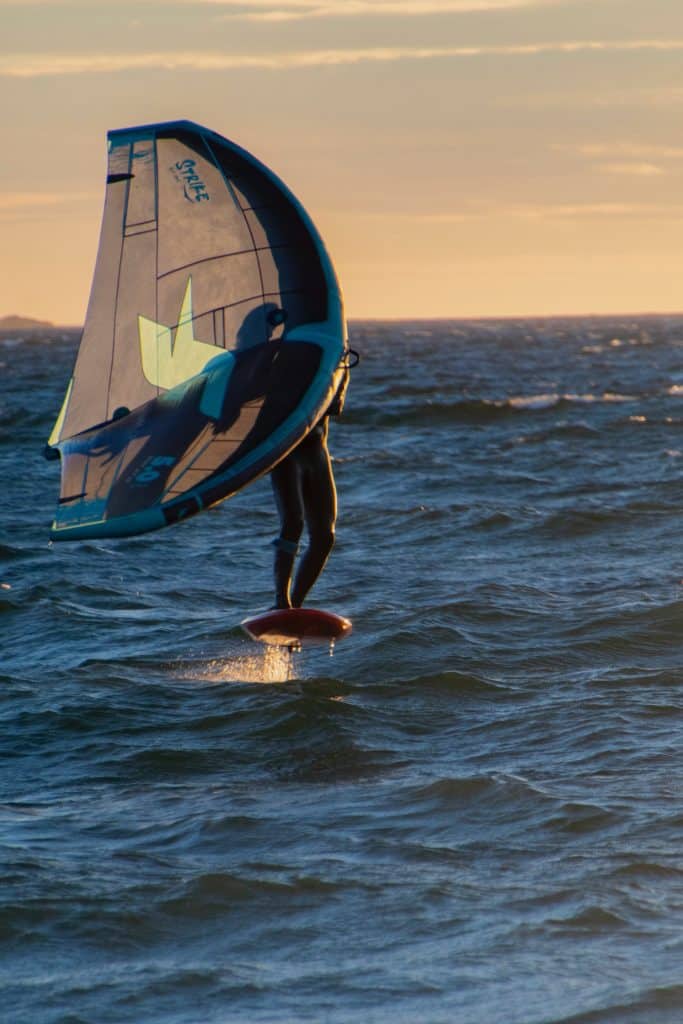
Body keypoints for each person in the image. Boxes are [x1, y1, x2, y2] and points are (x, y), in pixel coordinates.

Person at [270, 361, 351, 609]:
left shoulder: (333, 352)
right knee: (293, 521)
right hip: (287, 450)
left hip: (317, 452)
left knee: (325, 537)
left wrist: (341, 372)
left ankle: (295, 606)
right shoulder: (282, 354)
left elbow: (335, 407)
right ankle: (281, 602)